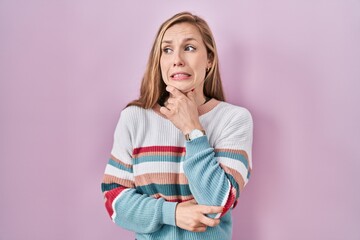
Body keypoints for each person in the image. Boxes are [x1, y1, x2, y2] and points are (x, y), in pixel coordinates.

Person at [101, 11, 253, 240]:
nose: (177, 59)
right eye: (167, 49)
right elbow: (115, 202)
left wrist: (193, 129)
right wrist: (172, 214)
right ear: (159, 61)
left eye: (190, 48)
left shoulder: (234, 119)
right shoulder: (134, 118)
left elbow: (219, 202)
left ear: (209, 59)